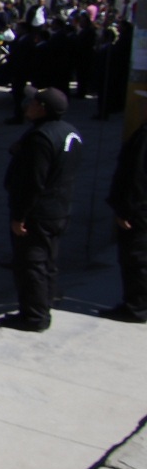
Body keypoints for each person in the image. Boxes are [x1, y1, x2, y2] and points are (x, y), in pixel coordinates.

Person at [3, 87, 83, 332]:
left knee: (32, 265)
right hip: (59, 208)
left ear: (42, 109)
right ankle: (42, 306)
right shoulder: (70, 132)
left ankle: (34, 316)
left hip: (39, 213)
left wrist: (19, 216)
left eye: (33, 102)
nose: (28, 106)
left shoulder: (41, 138)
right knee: (47, 262)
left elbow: (32, 183)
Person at [106, 117, 147, 323]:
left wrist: (125, 210)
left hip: (139, 211)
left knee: (135, 258)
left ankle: (137, 306)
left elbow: (135, 177)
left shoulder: (144, 137)